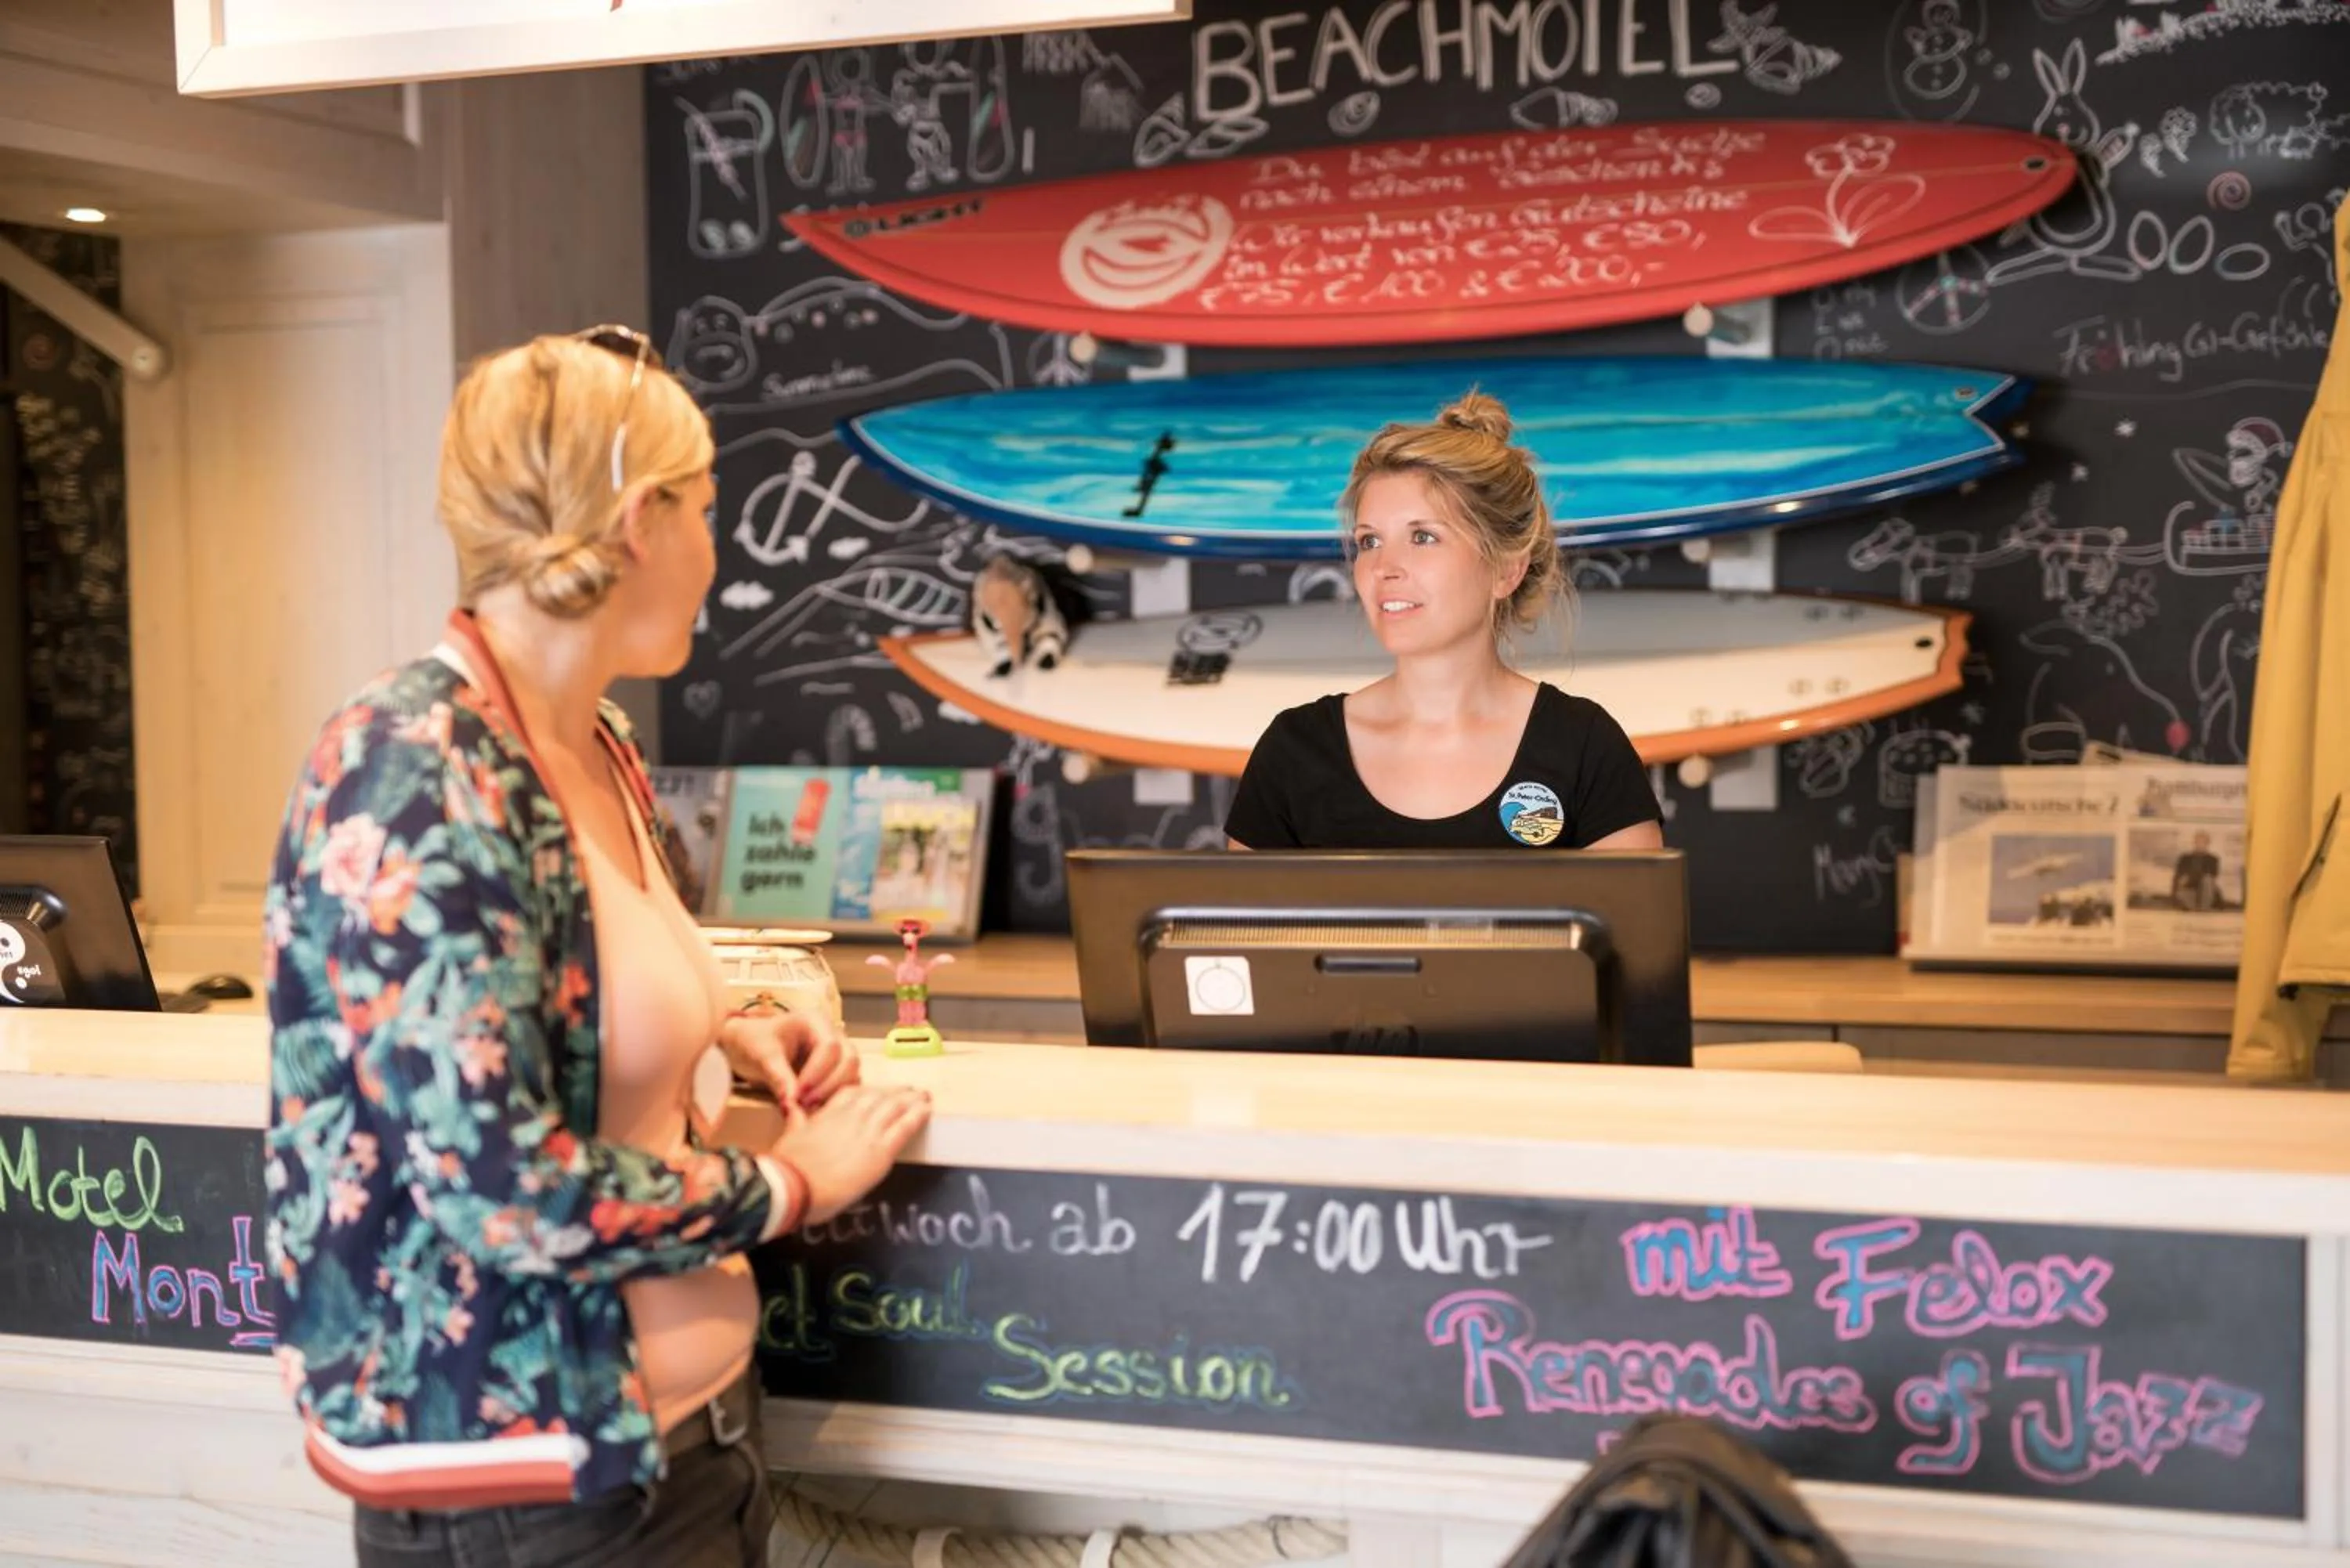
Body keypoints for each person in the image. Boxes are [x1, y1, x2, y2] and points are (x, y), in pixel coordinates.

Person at [262, 327, 931, 1568]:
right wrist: (791, 1185)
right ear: (640, 521)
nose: (717, 548)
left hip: (682, 1454)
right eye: (711, 507)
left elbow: (571, 993)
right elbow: (497, 1184)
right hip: (530, 1493)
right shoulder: (413, 770)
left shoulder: (591, 737)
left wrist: (722, 1021)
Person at [1225, 391, 1664, 853]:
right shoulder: (1294, 751)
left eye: (1423, 536)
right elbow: (1241, 926)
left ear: (1505, 570)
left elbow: (1638, 925)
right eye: (1370, 541)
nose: (1384, 567)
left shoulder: (1584, 747)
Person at [2173, 831, 2225, 911]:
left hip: (2205, 889)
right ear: (2194, 843)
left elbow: (2212, 874)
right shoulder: (2185, 858)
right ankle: (2194, 909)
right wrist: (2182, 880)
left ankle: (2203, 908)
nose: (2200, 844)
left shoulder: (2213, 859)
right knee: (2182, 886)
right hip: (2189, 888)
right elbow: (2178, 874)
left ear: (2207, 844)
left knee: (2207, 879)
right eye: (2198, 842)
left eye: (2203, 842)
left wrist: (2191, 877)